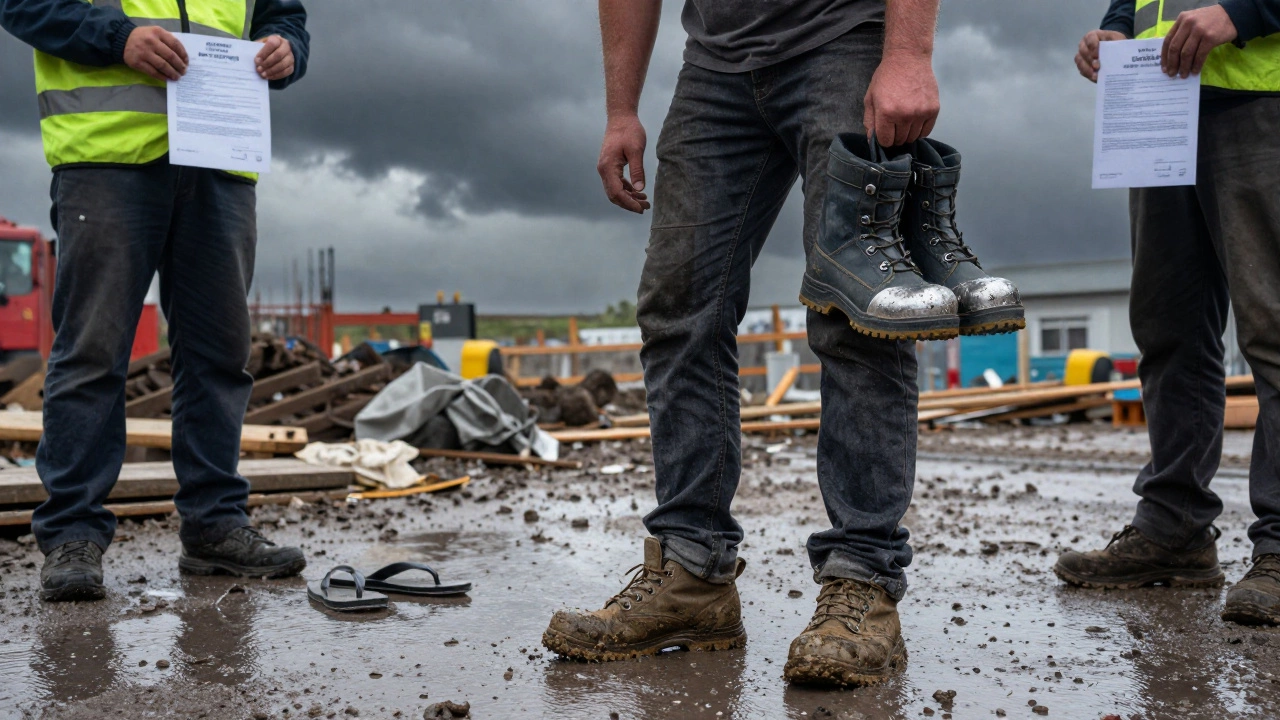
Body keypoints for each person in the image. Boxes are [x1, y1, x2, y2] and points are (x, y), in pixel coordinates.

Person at [541, 0, 1022, 686]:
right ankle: (691, 575)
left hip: (843, 38)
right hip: (714, 62)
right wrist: (621, 110)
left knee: (861, 310)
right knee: (678, 311)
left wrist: (908, 53)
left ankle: (864, 579)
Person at [0, 0, 311, 602]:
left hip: (220, 156)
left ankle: (216, 526)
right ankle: (72, 534)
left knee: (219, 353)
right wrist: (119, 38)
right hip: (107, 158)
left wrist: (286, 46)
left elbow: (284, 13)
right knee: (91, 350)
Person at [1057, 0, 1280, 625]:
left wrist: (1246, 12)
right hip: (1158, 99)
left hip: (1263, 100)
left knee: (1274, 329)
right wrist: (1119, 31)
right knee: (1168, 328)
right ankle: (1173, 529)